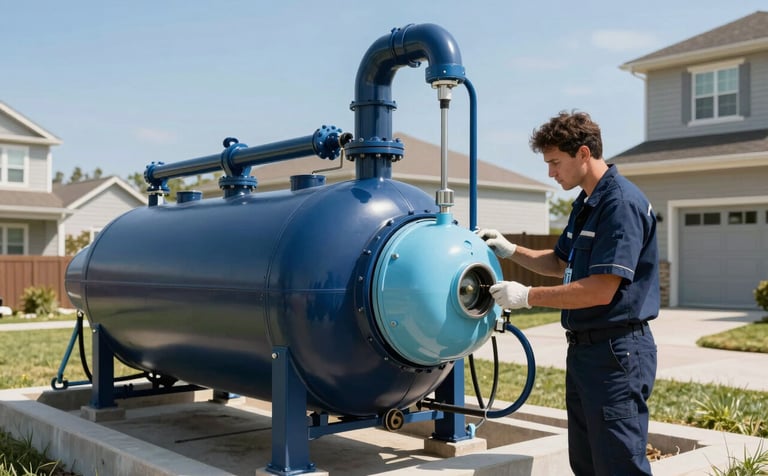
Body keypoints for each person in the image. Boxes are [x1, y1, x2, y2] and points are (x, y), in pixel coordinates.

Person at [478, 111, 659, 476]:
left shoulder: (619, 204)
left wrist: (527, 296)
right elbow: (560, 262)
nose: (550, 173)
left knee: (618, 466)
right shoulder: (587, 202)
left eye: (555, 162)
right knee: (589, 464)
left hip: (616, 353)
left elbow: (601, 290)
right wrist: (511, 250)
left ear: (583, 154)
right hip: (586, 353)